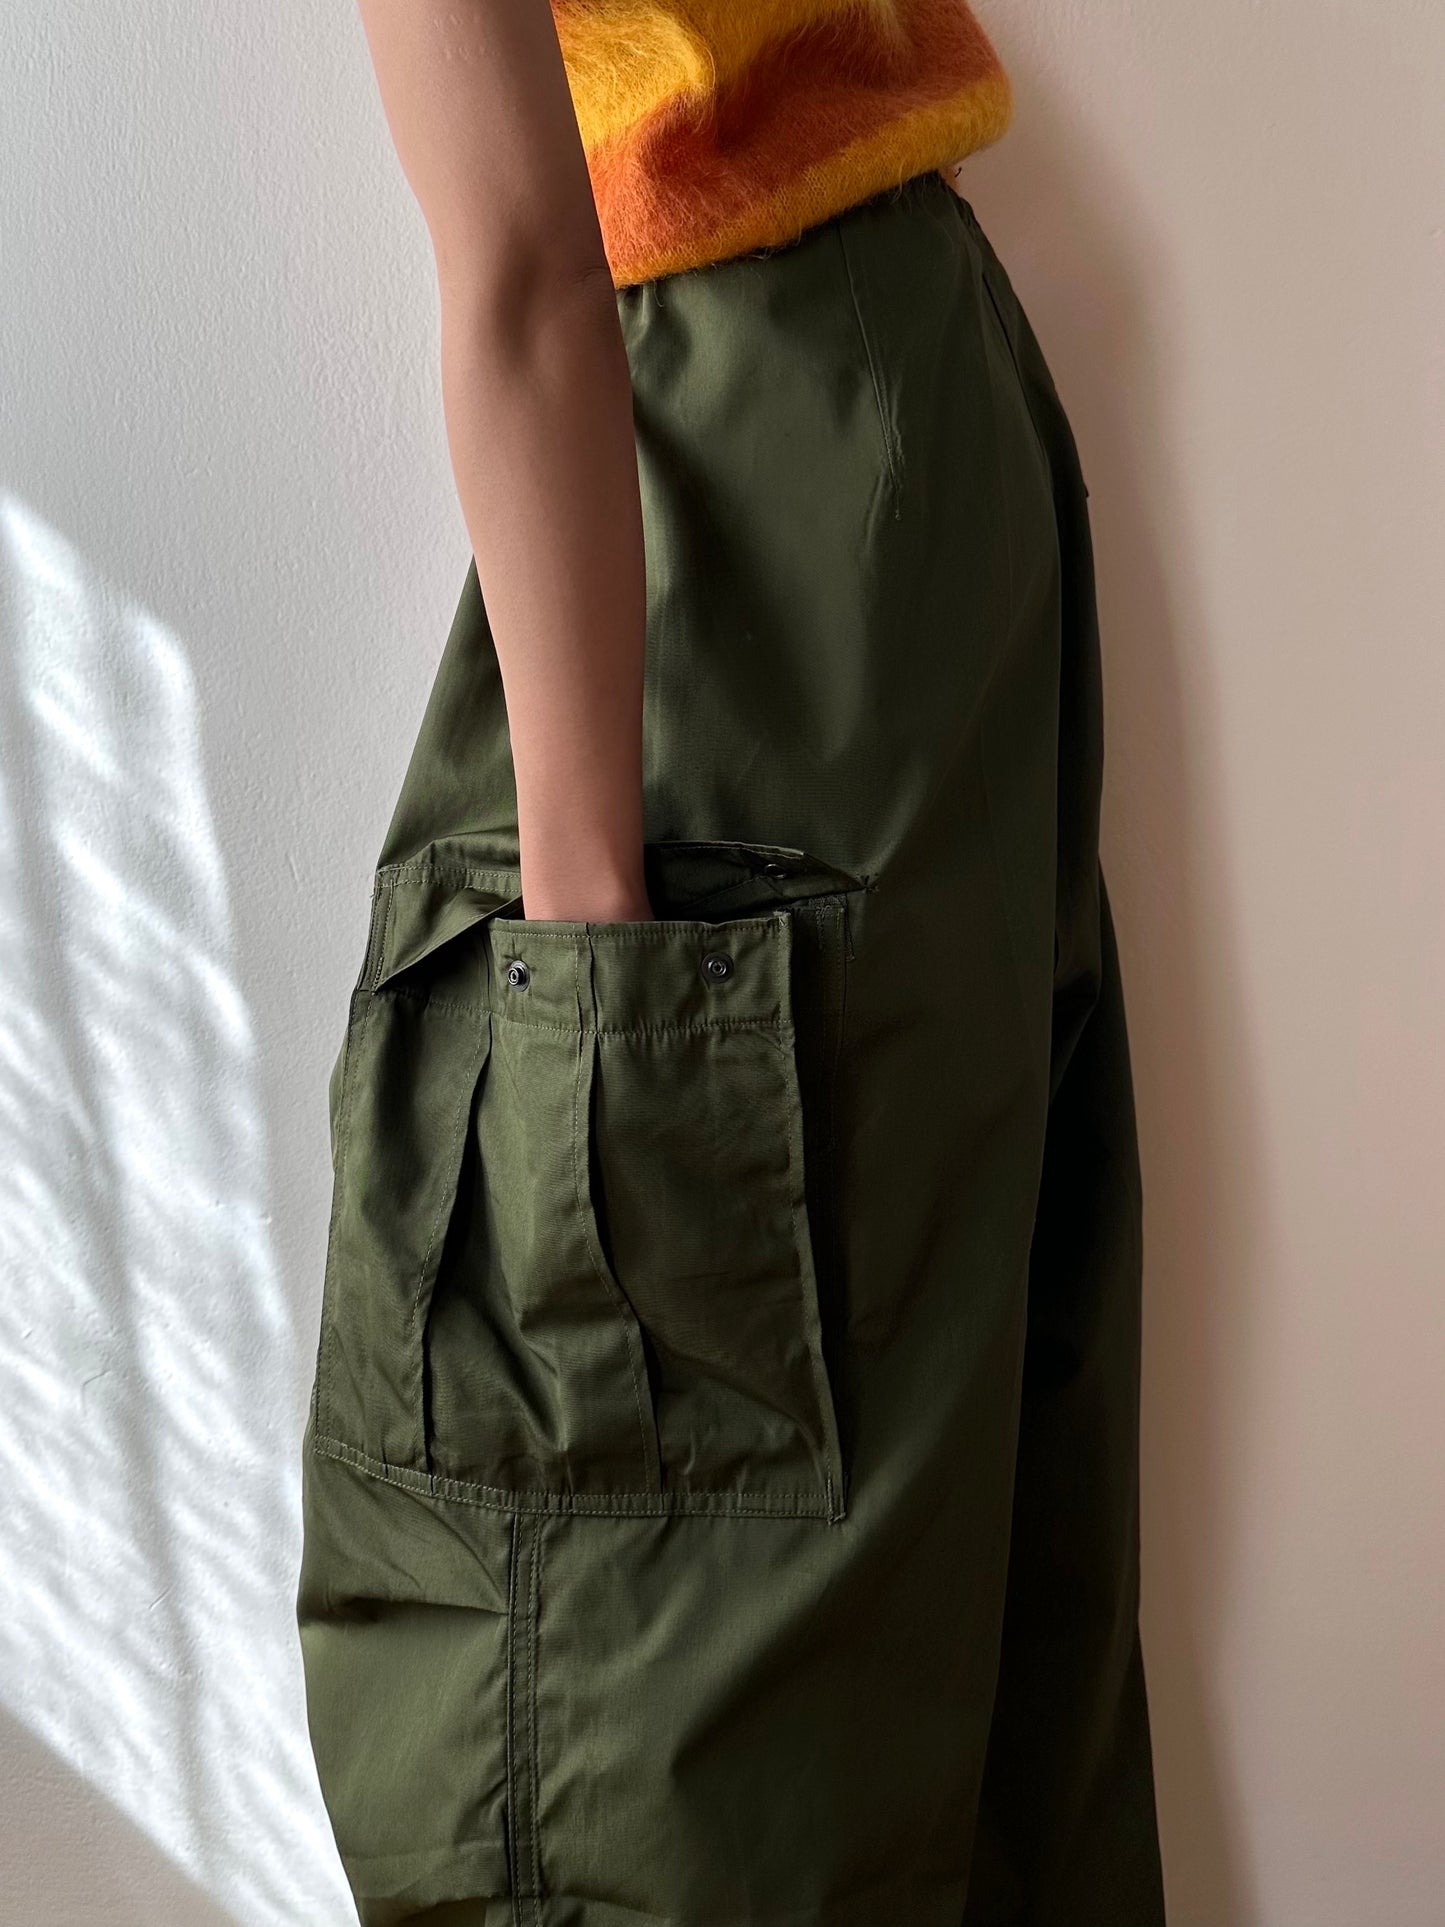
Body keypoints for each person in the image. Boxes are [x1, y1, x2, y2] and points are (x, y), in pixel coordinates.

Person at [295, 3, 1168, 1923]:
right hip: (910, 402)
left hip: (735, 495)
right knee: (922, 1550)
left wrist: (583, 943)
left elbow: (522, 277)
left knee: (656, 1602)